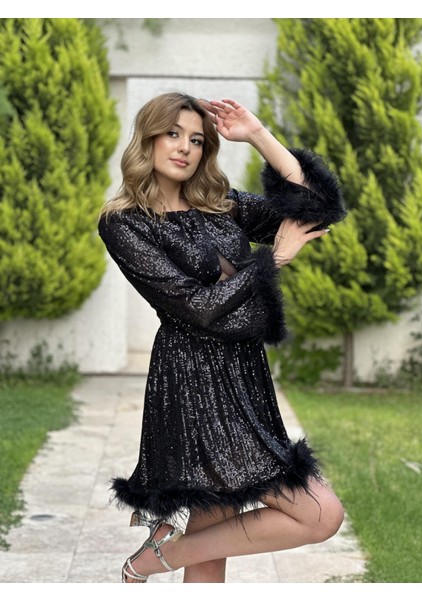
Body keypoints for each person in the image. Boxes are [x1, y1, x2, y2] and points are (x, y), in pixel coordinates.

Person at [98, 92, 347, 584]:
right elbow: (197, 306)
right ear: (147, 139)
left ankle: (160, 552)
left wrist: (257, 134)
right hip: (192, 379)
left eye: (196, 139)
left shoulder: (220, 206)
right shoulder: (124, 222)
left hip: (244, 373)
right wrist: (274, 258)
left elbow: (318, 208)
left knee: (212, 550)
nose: (184, 147)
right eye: (172, 134)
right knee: (322, 514)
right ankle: (158, 556)